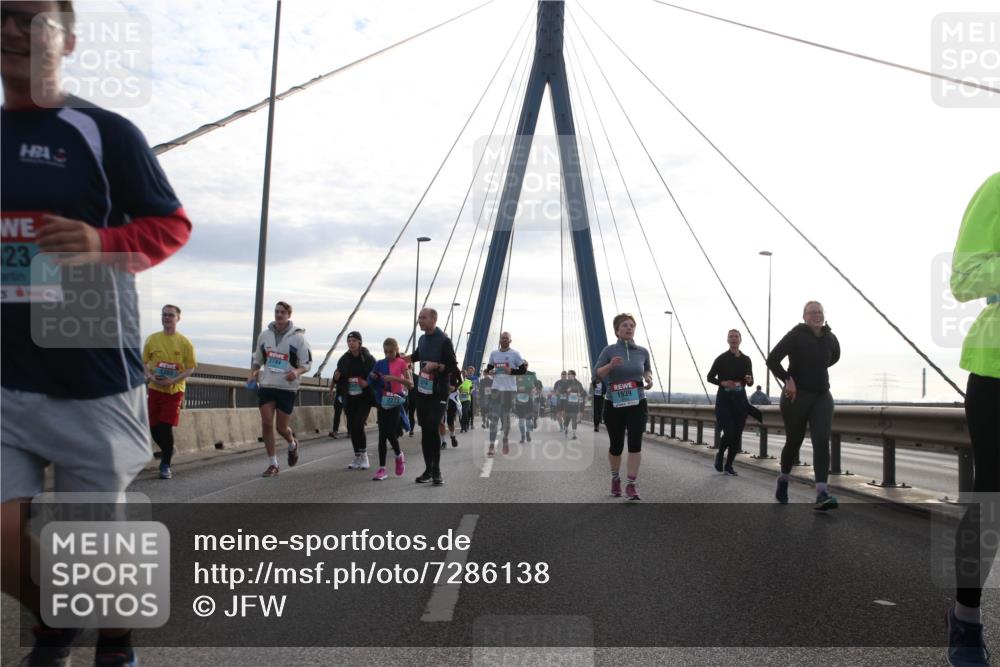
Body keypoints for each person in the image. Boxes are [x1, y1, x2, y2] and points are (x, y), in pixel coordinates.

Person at [1, 3, 192, 664]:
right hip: (4, 380)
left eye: (32, 18)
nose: (13, 29)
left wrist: (102, 241)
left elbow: (171, 225)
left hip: (91, 382)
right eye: (3, 15)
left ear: (69, 40)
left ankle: (115, 644)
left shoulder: (103, 131)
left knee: (95, 562)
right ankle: (58, 621)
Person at [947, 171, 1000, 667]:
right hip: (997, 367)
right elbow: (962, 279)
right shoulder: (998, 187)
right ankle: (965, 618)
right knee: (992, 500)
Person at [766, 301, 840, 510]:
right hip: (795, 396)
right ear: (804, 316)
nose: (816, 315)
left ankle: (822, 493)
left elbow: (834, 357)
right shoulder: (796, 335)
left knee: (821, 440)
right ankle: (783, 479)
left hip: (822, 396)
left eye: (819, 312)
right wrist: (788, 379)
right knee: (794, 440)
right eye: (812, 312)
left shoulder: (830, 338)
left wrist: (816, 367)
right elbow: (772, 360)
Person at [248, 301, 312, 478]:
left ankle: (292, 444)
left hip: (287, 387)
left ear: (289, 315)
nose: (279, 315)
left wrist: (296, 371)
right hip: (268, 384)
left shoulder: (298, 338)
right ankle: (273, 464)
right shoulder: (265, 335)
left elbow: (307, 364)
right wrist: (252, 374)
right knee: (267, 423)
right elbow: (257, 360)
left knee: (281, 428)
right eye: (276, 311)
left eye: (282, 312)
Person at [595, 314, 653, 501]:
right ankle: (615, 479)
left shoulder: (642, 351)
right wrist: (610, 365)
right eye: (625, 325)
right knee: (616, 445)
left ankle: (631, 484)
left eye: (632, 325)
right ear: (617, 330)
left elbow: (646, 369)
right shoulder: (609, 350)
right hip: (614, 403)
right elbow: (597, 375)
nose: (629, 328)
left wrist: (648, 377)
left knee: (635, 444)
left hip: (637, 402)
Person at [404, 308, 459, 485]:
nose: (419, 320)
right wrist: (396, 359)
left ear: (434, 319)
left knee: (433, 425)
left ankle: (437, 471)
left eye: (423, 318)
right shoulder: (422, 339)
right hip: (423, 390)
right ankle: (428, 469)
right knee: (426, 430)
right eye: (419, 317)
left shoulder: (444, 341)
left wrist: (436, 366)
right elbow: (416, 356)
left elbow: (452, 367)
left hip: (439, 391)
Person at [143, 304, 196, 480]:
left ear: (178, 319)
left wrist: (172, 380)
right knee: (154, 428)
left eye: (171, 315)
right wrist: (150, 375)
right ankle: (168, 449)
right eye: (164, 315)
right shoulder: (152, 339)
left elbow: (190, 368)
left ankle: (165, 464)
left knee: (165, 426)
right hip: (155, 389)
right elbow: (143, 362)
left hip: (174, 391)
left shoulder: (184, 342)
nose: (167, 318)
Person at [707, 329, 755, 476]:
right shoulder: (721, 358)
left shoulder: (746, 359)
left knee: (737, 434)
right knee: (729, 431)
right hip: (724, 400)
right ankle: (720, 454)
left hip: (740, 400)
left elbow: (751, 381)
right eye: (731, 337)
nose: (734, 339)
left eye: (736, 336)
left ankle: (729, 465)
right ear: (727, 340)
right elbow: (710, 377)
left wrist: (749, 380)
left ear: (740, 340)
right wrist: (723, 383)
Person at [369, 338, 412, 481]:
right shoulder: (379, 363)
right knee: (382, 434)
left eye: (391, 352)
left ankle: (399, 455)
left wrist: (394, 378)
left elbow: (410, 383)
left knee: (390, 432)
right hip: (382, 400)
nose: (388, 355)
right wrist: (373, 376)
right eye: (385, 352)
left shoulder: (401, 363)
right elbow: (371, 380)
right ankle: (382, 468)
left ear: (396, 350)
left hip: (395, 400)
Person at [334, 331, 376, 470]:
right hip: (349, 397)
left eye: (353, 340)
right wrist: (336, 377)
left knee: (358, 424)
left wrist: (367, 382)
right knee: (351, 427)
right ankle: (357, 456)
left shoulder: (368, 359)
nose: (351, 343)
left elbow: (376, 375)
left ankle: (364, 457)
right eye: (349, 341)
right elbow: (338, 377)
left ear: (359, 343)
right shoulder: (344, 359)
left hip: (364, 398)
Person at [485, 332, 528, 455]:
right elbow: (488, 368)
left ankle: (505, 438)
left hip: (509, 390)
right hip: (496, 389)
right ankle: (492, 445)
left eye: (506, 338)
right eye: (502, 338)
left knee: (505, 418)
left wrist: (512, 371)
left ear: (510, 340)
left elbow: (523, 370)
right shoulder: (494, 354)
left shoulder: (515, 354)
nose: (504, 340)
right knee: (494, 418)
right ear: (500, 340)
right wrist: (489, 371)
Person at [562, 370, 587, 439]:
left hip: (575, 404)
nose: (568, 375)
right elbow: (562, 391)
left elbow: (584, 392)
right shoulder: (566, 383)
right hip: (567, 404)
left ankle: (574, 434)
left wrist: (580, 394)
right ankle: (566, 428)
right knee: (567, 419)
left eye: (569, 374)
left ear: (573, 375)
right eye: (568, 374)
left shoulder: (578, 383)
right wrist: (567, 391)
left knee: (574, 418)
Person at [514, 371, 536, 443]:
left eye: (525, 365)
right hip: (519, 401)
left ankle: (528, 433)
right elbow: (512, 387)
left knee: (528, 420)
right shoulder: (516, 376)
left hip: (529, 400)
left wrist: (534, 389)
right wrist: (518, 389)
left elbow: (536, 385)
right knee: (521, 419)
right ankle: (523, 435)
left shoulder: (531, 375)